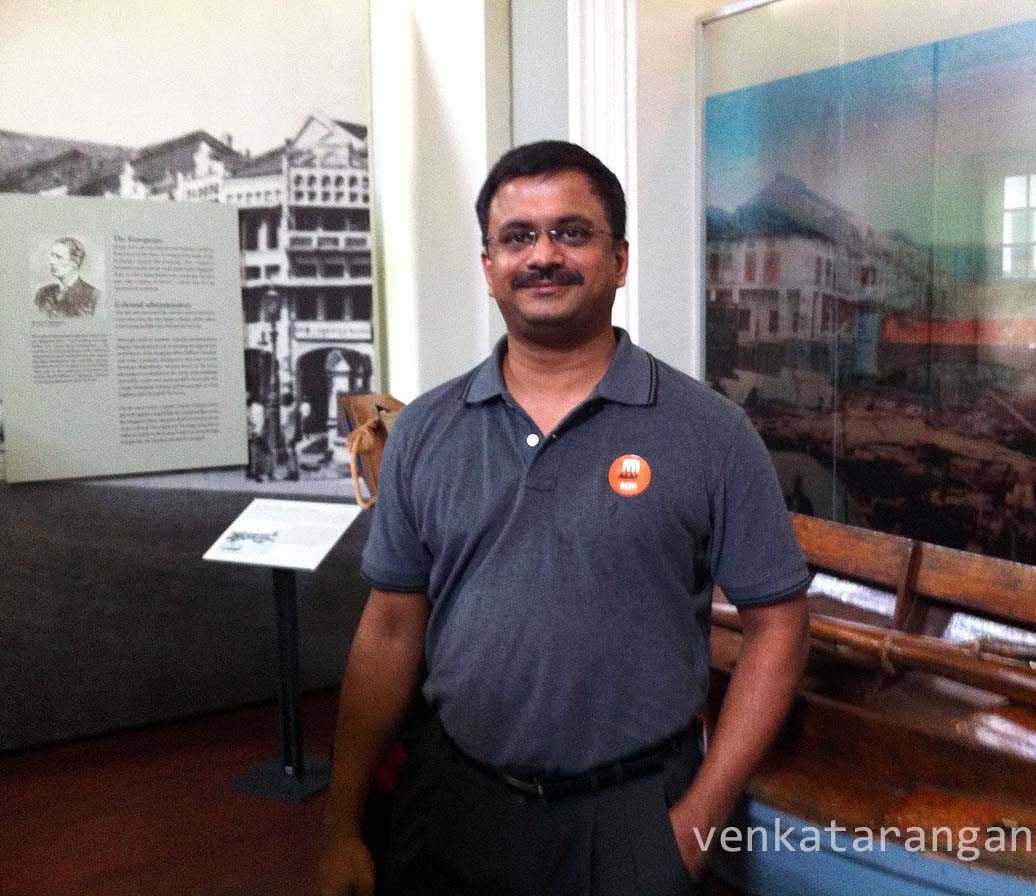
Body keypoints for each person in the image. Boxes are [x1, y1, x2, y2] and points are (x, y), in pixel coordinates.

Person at [316, 141, 811, 896]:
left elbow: (778, 623)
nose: (542, 255)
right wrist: (341, 828)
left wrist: (698, 821)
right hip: (452, 805)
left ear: (618, 258)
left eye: (571, 232)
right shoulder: (424, 431)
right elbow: (389, 626)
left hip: (636, 819)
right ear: (489, 268)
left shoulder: (710, 432)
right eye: (518, 237)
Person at [34, 237, 101, 318]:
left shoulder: (94, 296)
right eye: (52, 255)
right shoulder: (43, 293)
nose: (51, 262)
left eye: (59, 257)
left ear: (75, 262)